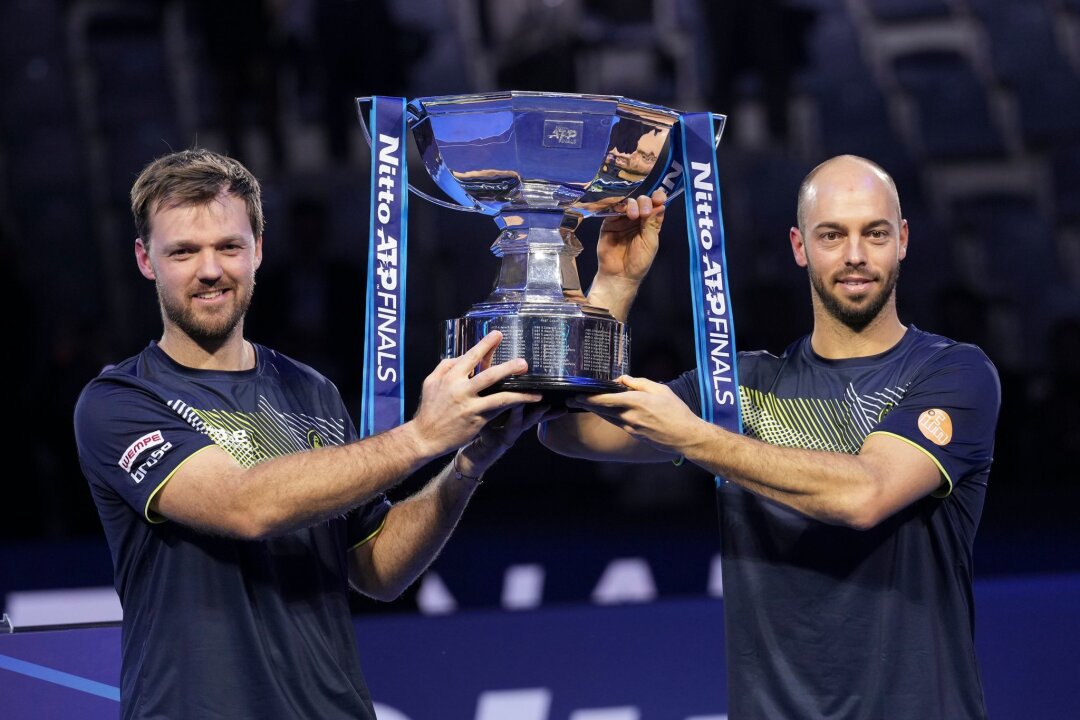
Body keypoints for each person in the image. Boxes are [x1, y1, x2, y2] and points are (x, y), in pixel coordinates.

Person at [73, 148, 556, 720]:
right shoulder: (120, 402)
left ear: (259, 251)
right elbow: (244, 506)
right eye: (183, 251)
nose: (210, 270)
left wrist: (469, 460)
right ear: (145, 259)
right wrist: (422, 436)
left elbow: (377, 570)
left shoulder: (312, 391)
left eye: (229, 246)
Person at [540, 154, 1000, 719]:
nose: (855, 255)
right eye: (832, 235)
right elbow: (572, 429)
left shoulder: (954, 373)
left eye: (874, 233)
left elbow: (865, 495)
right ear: (799, 246)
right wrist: (616, 280)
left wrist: (695, 438)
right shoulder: (741, 387)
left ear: (902, 239)